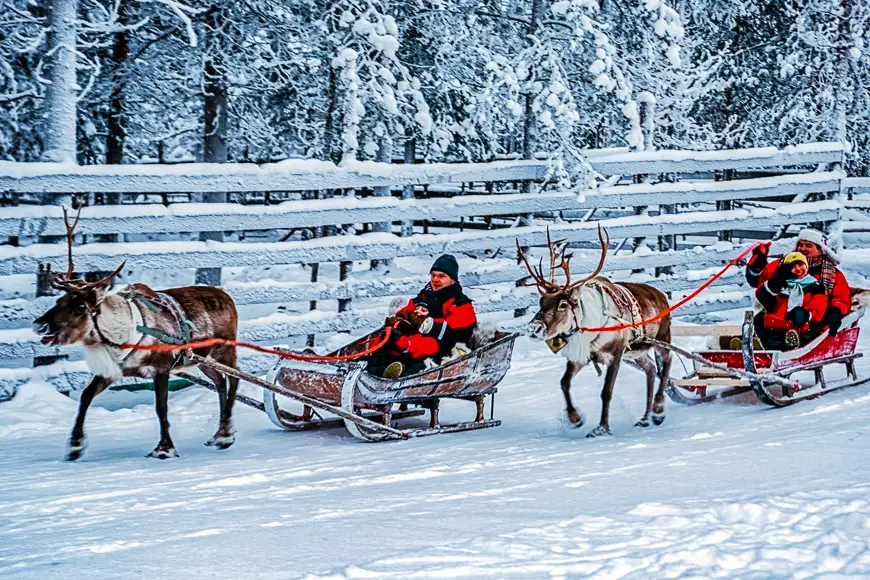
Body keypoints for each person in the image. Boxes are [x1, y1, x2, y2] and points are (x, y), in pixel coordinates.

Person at [367, 254, 477, 378]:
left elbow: (453, 333)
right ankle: (372, 367)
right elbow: (407, 310)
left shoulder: (461, 304)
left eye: (441, 276)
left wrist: (426, 324)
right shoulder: (425, 297)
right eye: (433, 275)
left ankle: (398, 372)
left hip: (440, 350)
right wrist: (399, 320)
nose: (435, 280)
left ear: (453, 280)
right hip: (417, 342)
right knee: (387, 340)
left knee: (422, 346)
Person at [746, 228, 851, 340]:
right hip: (780, 314)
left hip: (811, 319)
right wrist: (757, 265)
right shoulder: (783, 265)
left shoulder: (832, 274)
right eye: (800, 245)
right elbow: (759, 282)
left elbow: (842, 298)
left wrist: (835, 311)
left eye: (808, 246)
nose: (803, 249)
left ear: (820, 250)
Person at [752, 252, 829, 349]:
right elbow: (764, 297)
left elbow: (819, 307)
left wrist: (806, 314)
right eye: (792, 266)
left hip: (800, 325)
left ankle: (785, 344)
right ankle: (756, 343)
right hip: (780, 322)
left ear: (806, 266)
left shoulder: (815, 287)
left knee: (796, 332)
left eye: (800, 265)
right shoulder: (784, 285)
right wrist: (775, 280)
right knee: (761, 321)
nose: (797, 269)